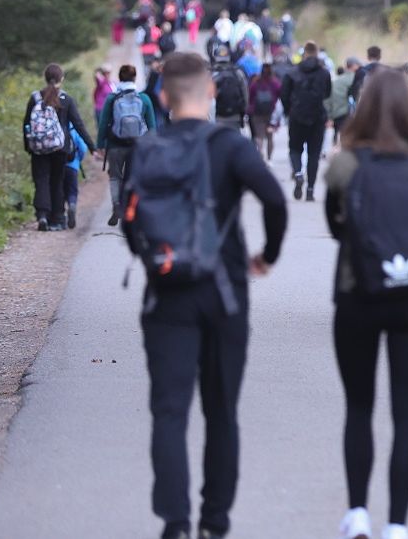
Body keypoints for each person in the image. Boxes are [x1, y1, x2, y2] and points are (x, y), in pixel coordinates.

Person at [125, 52, 288, 539]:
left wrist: (157, 262)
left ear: (162, 97)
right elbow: (275, 200)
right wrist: (267, 255)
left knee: (169, 411)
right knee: (221, 412)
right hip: (224, 295)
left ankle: (175, 524)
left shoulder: (148, 147)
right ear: (211, 92)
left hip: (167, 296)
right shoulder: (229, 145)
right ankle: (214, 523)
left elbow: (131, 221)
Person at [324, 67, 408, 539]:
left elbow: (338, 229)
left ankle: (357, 513)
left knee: (359, 407)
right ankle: (398, 525)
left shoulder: (346, 165)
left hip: (359, 294)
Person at [23, 64, 96, 231]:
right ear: (61, 79)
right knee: (57, 181)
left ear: (45, 77)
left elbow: (26, 124)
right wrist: (92, 147)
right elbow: (78, 124)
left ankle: (42, 216)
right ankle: (57, 218)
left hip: (38, 148)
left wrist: (28, 146)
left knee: (41, 180)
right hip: (60, 148)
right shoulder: (66, 99)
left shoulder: (35, 98)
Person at [98, 64, 158, 226]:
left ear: (120, 78)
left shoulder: (112, 98)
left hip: (115, 145)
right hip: (137, 146)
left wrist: (100, 144)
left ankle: (117, 205)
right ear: (134, 78)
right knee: (135, 177)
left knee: (115, 177)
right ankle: (132, 210)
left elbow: (104, 123)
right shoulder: (144, 98)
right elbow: (152, 125)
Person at [280, 41, 332, 201]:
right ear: (317, 54)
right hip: (317, 116)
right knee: (314, 154)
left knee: (295, 149)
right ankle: (310, 190)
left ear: (304, 54)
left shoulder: (292, 72)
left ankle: (298, 173)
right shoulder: (324, 73)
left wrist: (289, 111)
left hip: (296, 116)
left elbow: (284, 95)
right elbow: (327, 94)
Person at [247, 64, 281, 159]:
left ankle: (260, 154)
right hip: (271, 113)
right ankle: (269, 158)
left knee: (259, 136)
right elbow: (280, 94)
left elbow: (250, 97)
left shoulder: (255, 82)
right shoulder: (275, 83)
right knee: (270, 137)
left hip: (256, 113)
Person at [328, 58, 359, 145]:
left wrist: (329, 115)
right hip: (353, 114)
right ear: (354, 67)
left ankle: (336, 151)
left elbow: (329, 98)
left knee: (338, 135)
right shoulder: (359, 79)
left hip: (339, 114)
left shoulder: (336, 81)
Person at [64, 126, 87, 230]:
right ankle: (72, 205)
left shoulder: (57, 126)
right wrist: (78, 159)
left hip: (59, 166)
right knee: (72, 191)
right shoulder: (74, 130)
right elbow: (83, 148)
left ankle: (61, 214)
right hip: (73, 166)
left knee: (59, 191)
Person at [143, 55, 168, 125]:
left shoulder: (157, 75)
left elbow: (154, 91)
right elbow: (155, 91)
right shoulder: (157, 75)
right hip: (157, 105)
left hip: (156, 104)